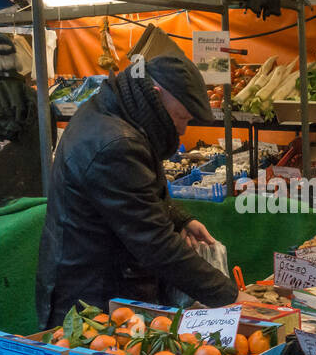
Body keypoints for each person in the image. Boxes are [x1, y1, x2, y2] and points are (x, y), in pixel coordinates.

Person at [35, 54, 237, 328]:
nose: (182, 128)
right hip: (92, 303)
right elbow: (154, 242)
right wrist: (227, 295)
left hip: (99, 286)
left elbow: (136, 194)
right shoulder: (115, 142)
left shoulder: (113, 111)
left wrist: (180, 219)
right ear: (156, 94)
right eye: (181, 117)